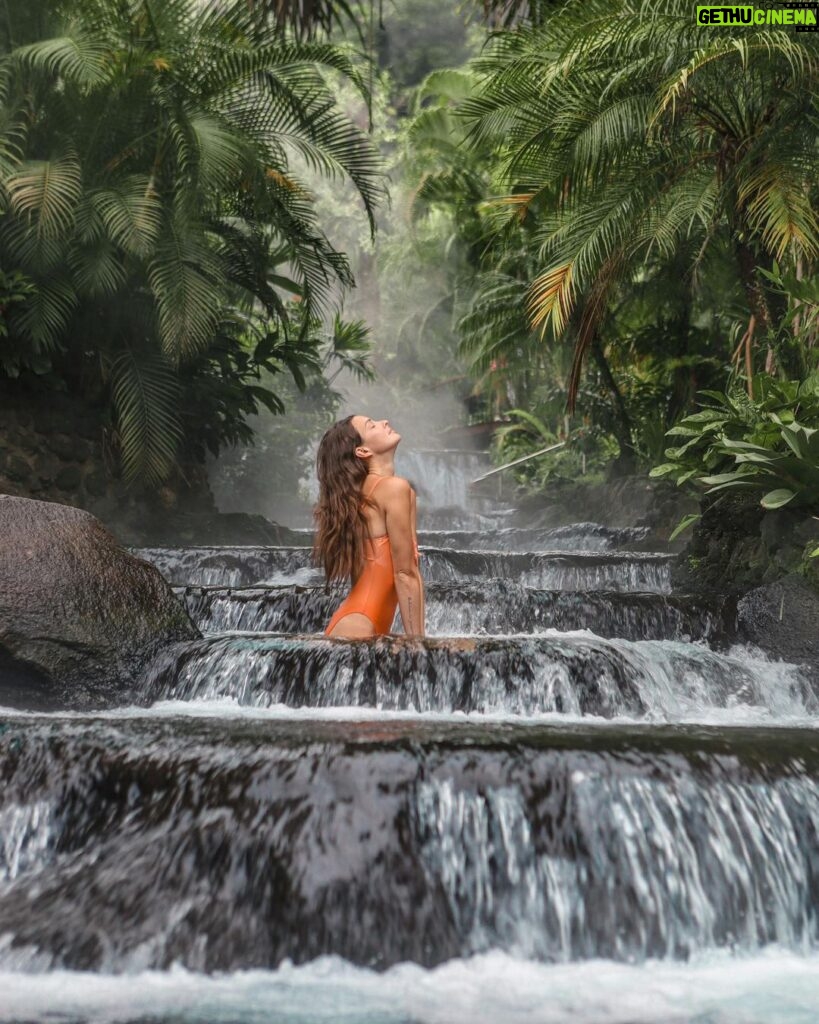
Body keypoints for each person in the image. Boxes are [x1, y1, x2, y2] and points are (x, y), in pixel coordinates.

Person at [313, 415, 425, 638]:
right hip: (359, 627)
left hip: (356, 622)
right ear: (363, 451)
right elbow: (405, 574)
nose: (384, 421)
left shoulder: (379, 494)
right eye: (371, 425)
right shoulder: (393, 489)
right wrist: (419, 645)